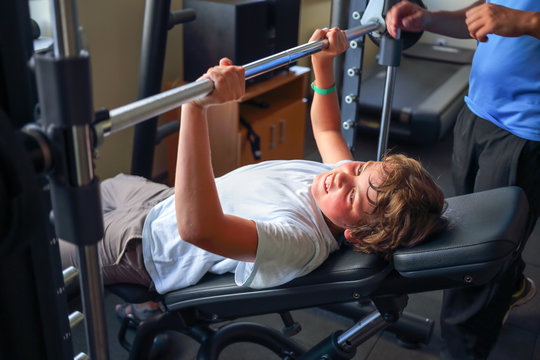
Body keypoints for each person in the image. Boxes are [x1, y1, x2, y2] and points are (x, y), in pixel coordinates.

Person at [60, 28, 447, 321]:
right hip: (159, 200)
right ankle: (143, 307)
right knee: (87, 190)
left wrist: (195, 108)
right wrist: (323, 65)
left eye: (353, 196)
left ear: (354, 234)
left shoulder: (300, 239)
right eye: (361, 168)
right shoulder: (337, 179)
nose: (343, 176)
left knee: (46, 247)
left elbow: (198, 228)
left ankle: (133, 299)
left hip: (144, 247)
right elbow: (328, 130)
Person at [385, 1, 540, 359]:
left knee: (476, 260)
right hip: (477, 111)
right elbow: (483, 17)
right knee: (475, 230)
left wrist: (526, 20)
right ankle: (511, 283)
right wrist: (428, 20)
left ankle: (462, 351)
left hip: (523, 130)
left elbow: (515, 17)